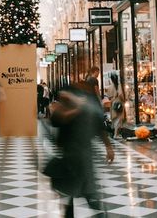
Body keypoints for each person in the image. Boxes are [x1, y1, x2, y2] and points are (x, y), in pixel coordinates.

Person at [49, 82, 114, 217]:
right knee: (73, 195)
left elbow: (99, 127)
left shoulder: (87, 108)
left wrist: (108, 147)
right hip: (70, 158)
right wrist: (76, 107)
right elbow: (57, 119)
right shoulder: (67, 108)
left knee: (87, 194)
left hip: (82, 157)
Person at [108, 72, 126, 139]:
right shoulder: (118, 85)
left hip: (113, 103)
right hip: (119, 103)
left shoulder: (110, 87)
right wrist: (124, 100)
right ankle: (116, 134)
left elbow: (109, 97)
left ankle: (115, 134)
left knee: (115, 118)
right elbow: (121, 95)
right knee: (119, 119)